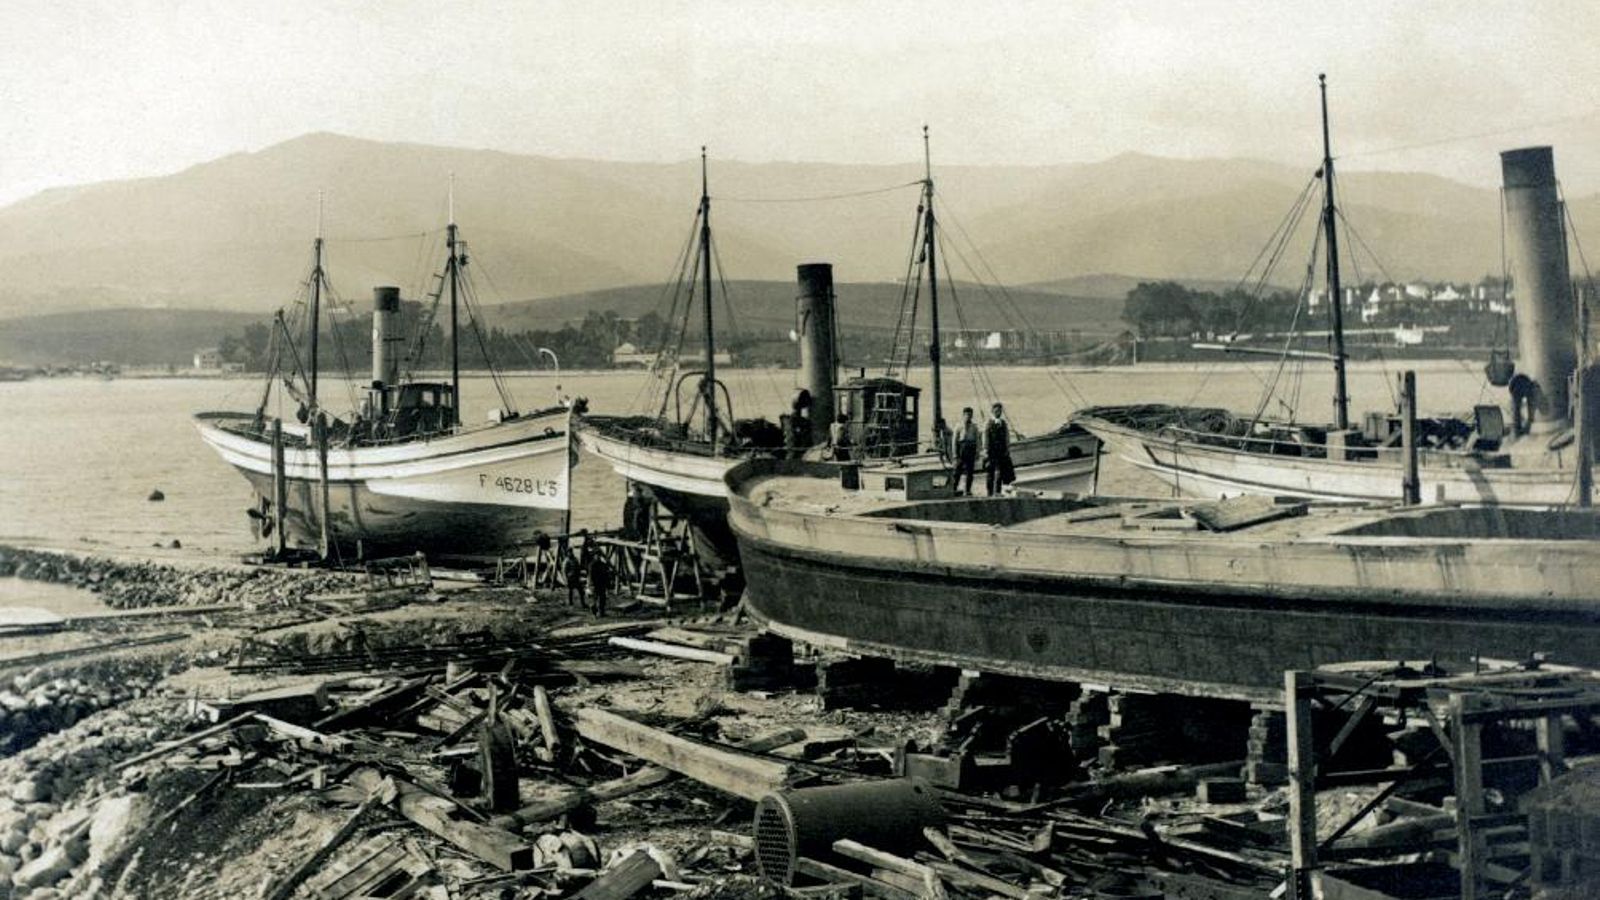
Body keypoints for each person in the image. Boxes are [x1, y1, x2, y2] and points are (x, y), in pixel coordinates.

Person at [983, 402, 1014, 496]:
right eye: (996, 411)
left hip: (1001, 452)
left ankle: (997, 492)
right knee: (990, 473)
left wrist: (1007, 449)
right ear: (992, 411)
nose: (998, 412)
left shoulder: (1003, 423)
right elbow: (985, 438)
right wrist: (986, 451)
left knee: (1000, 473)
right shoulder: (988, 423)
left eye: (999, 411)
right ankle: (989, 493)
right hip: (991, 452)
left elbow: (1007, 438)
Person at [951, 407, 980, 496]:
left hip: (970, 448)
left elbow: (977, 440)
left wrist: (977, 452)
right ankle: (954, 488)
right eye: (967, 415)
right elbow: (954, 441)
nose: (969, 417)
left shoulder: (974, 427)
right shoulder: (958, 426)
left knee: (970, 471)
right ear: (963, 415)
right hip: (961, 448)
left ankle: (967, 490)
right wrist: (955, 454)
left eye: (970, 415)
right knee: (957, 471)